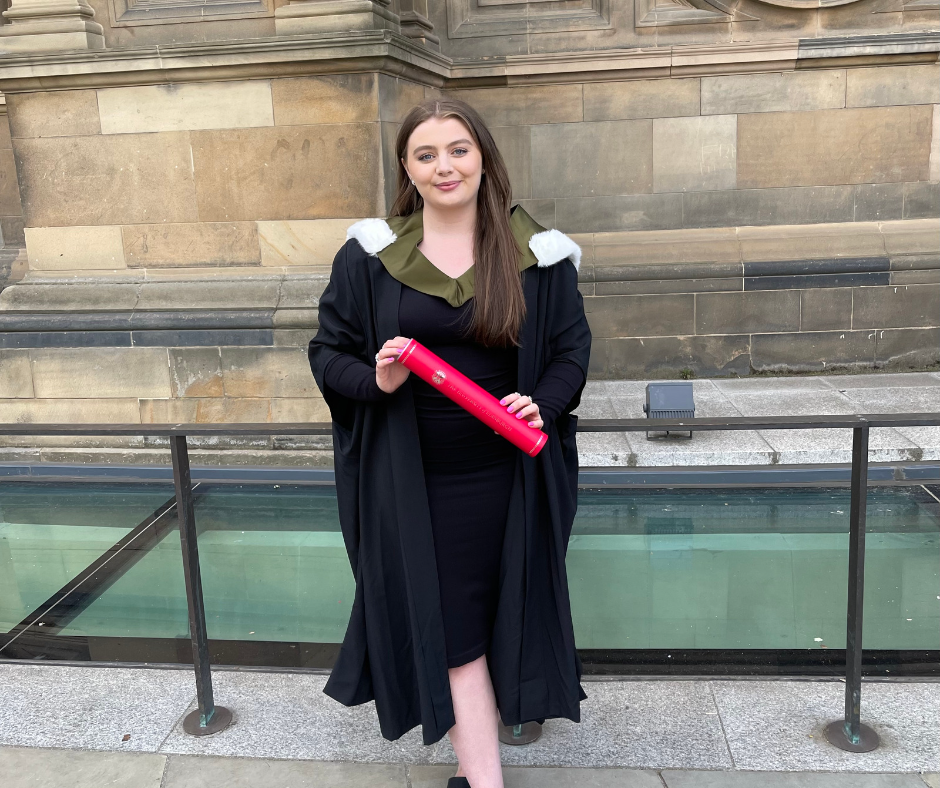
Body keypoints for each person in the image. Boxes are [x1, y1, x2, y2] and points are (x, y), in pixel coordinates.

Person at [307, 96, 592, 788]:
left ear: (484, 157)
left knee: (498, 615)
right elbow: (327, 351)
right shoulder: (372, 257)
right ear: (406, 167)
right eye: (426, 154)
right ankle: (483, 777)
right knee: (457, 629)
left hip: (510, 480)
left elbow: (571, 349)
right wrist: (378, 381)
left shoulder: (538, 255)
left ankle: (479, 763)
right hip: (415, 483)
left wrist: (545, 402)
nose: (445, 166)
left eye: (459, 149)